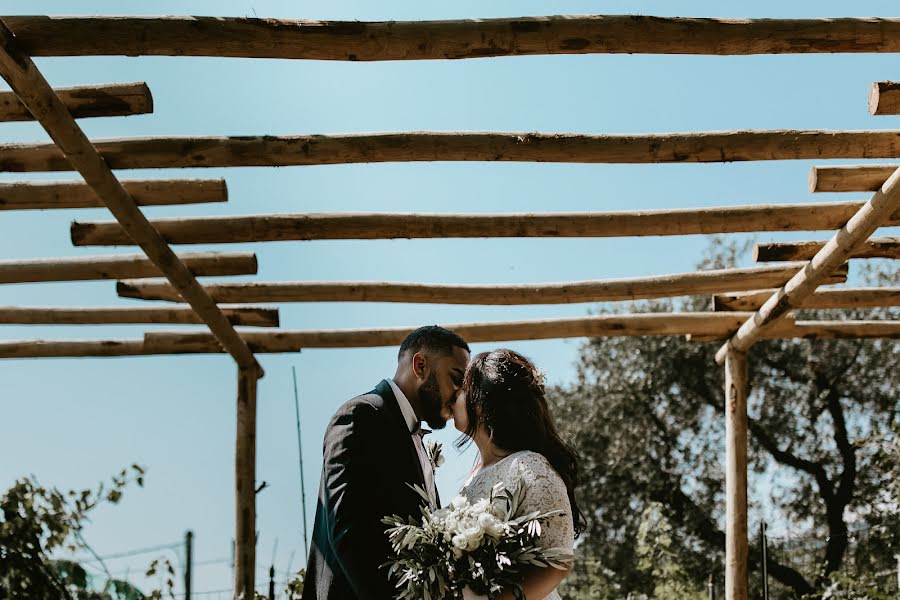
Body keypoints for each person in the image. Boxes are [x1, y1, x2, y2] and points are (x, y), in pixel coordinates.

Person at [302, 325, 470, 600]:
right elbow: (348, 533)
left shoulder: (415, 439)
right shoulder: (361, 416)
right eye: (455, 378)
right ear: (420, 365)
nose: (459, 394)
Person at [452, 348, 586, 600]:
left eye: (462, 389)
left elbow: (556, 563)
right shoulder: (469, 481)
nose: (453, 395)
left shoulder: (529, 466)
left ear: (480, 403)